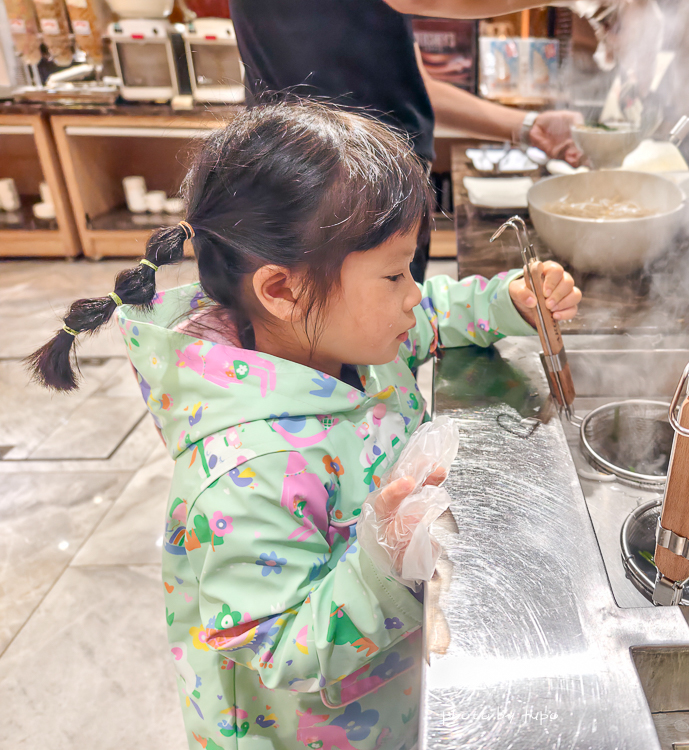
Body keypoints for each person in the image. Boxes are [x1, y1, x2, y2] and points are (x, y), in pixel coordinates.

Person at [27, 102, 581, 750]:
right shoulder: (248, 472)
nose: (412, 292)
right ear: (282, 290)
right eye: (393, 274)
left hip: (386, 690)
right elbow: (280, 647)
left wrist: (503, 302)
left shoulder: (348, 337)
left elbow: (427, 315)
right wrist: (383, 564)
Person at [228, 0, 584, 282]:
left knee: (395, 336)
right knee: (355, 342)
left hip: (371, 194)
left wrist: (529, 126)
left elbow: (416, 87)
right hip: (335, 196)